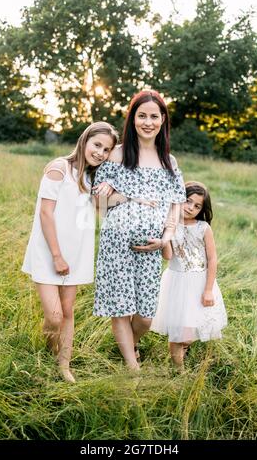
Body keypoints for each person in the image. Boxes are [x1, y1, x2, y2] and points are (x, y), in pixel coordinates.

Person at [92, 90, 186, 371]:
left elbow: (176, 206)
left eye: (153, 116)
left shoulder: (170, 161)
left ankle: (128, 346)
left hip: (151, 246)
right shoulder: (118, 155)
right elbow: (98, 204)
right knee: (121, 308)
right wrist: (110, 193)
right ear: (132, 119)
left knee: (145, 316)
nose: (148, 122)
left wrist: (166, 238)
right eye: (141, 115)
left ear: (163, 120)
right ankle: (133, 369)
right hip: (116, 242)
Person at [22, 122, 118, 382]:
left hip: (77, 252)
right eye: (96, 145)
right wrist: (56, 255)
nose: (100, 152)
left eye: (106, 149)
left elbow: (105, 209)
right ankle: (49, 349)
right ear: (84, 140)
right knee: (54, 316)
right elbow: (45, 212)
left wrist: (112, 188)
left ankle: (64, 365)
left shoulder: (92, 177)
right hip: (49, 251)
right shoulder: (59, 168)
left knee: (68, 310)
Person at [151, 181, 228, 368]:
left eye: (197, 206)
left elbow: (212, 259)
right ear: (178, 199)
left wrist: (208, 290)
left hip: (199, 282)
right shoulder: (169, 224)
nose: (191, 207)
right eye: (188, 201)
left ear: (202, 209)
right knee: (178, 331)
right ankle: (179, 371)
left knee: (192, 331)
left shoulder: (203, 228)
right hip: (176, 282)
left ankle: (184, 346)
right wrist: (166, 234)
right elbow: (168, 256)